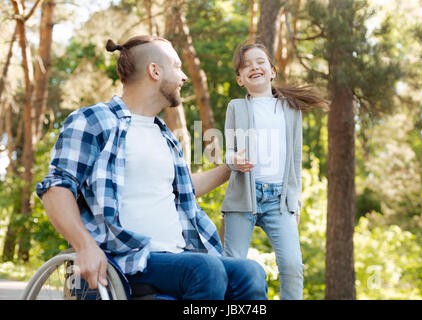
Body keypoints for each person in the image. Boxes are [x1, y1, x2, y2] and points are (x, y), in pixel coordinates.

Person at [36, 35, 267, 300]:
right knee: (207, 269)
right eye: (177, 67)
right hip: (123, 261)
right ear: (154, 70)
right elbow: (56, 188)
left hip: (177, 261)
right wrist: (85, 245)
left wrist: (230, 167)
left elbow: (184, 189)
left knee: (250, 272)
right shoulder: (94, 120)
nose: (184, 77)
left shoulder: (164, 135)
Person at [221, 41, 328, 300]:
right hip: (243, 197)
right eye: (246, 66)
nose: (254, 67)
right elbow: (229, 151)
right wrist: (233, 159)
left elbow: (294, 159)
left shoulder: (290, 109)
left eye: (260, 62)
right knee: (232, 264)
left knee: (292, 266)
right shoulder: (237, 106)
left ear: (272, 71)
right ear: (240, 79)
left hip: (279, 200)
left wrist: (295, 202)